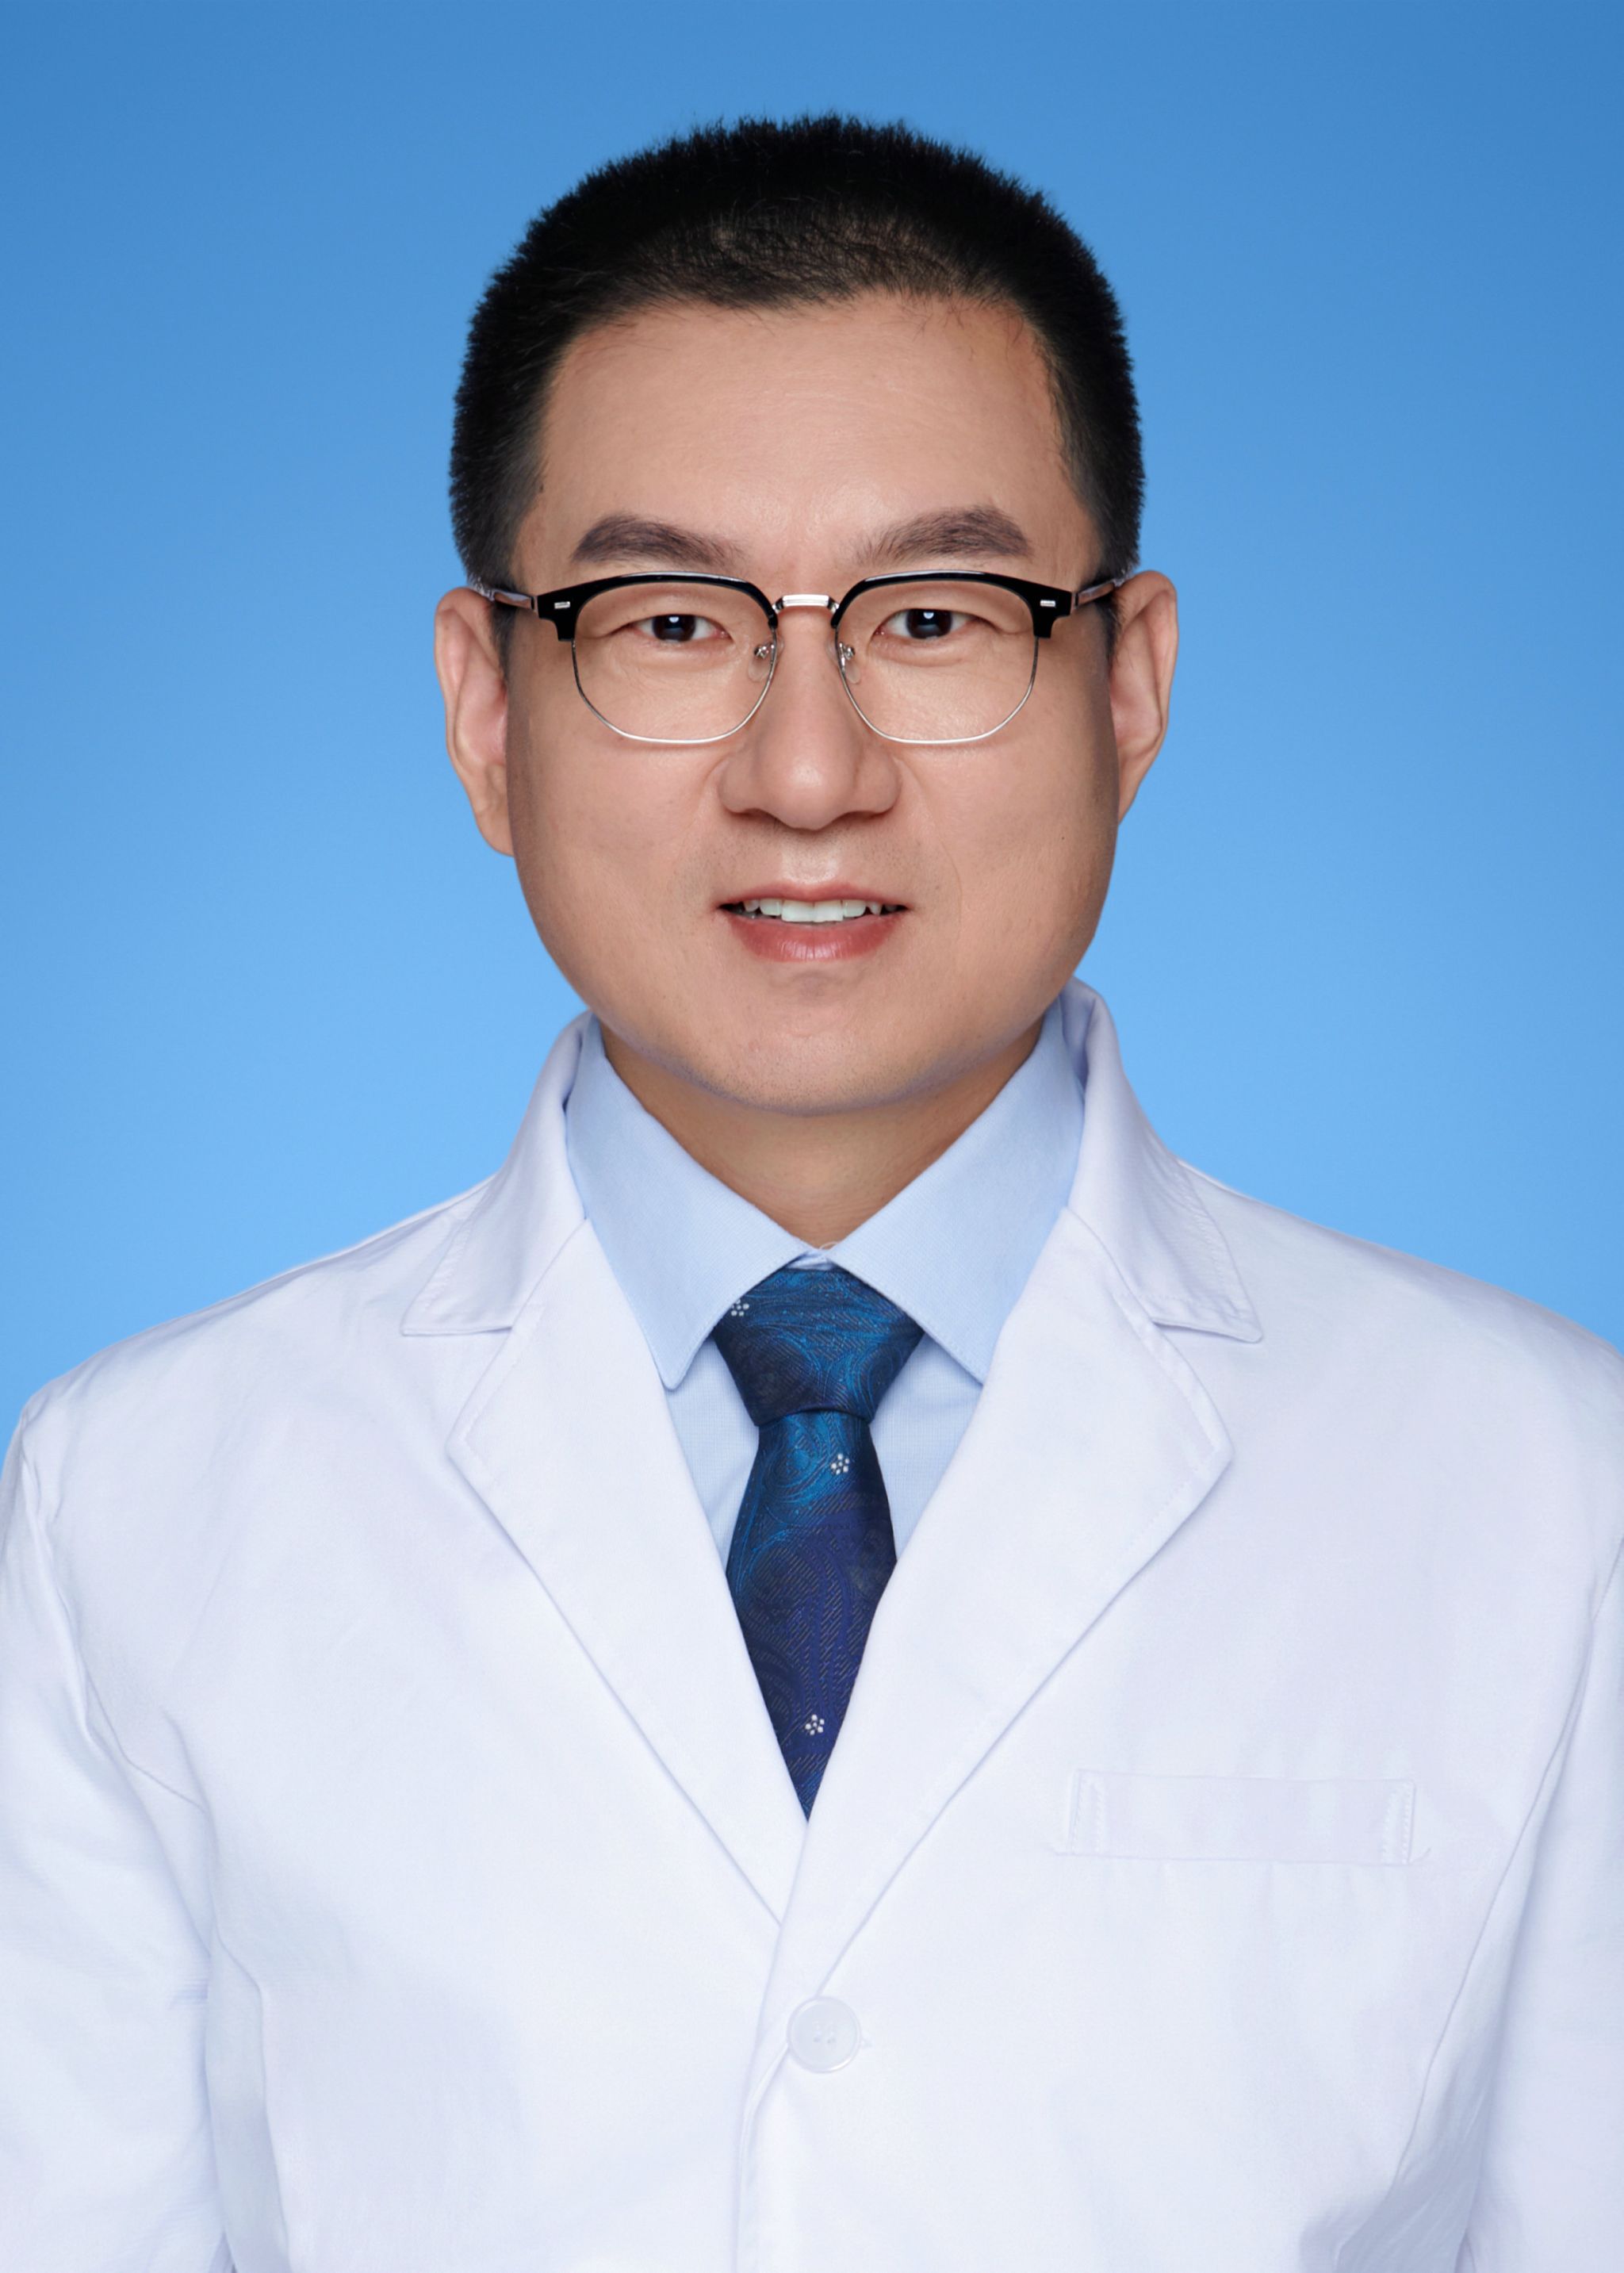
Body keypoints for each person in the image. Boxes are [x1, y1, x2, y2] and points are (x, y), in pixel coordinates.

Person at [1, 112, 1618, 2273]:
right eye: (671, 623)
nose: (806, 770)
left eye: (933, 616)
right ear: (486, 713)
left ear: (1129, 683)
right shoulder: (135, 1503)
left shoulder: (1545, 1489)